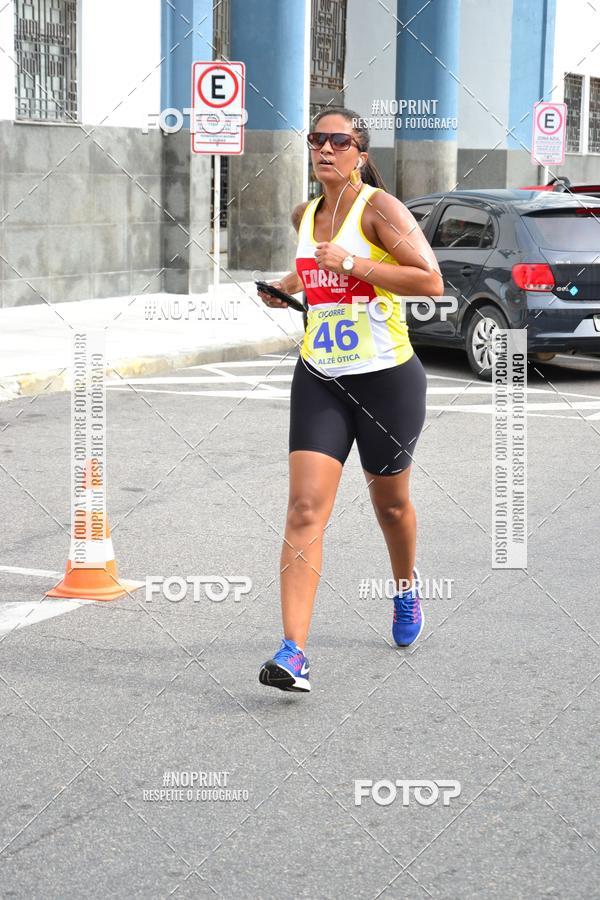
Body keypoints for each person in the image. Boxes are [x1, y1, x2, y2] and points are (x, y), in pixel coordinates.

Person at [256, 107, 443, 693]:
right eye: (317, 139)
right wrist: (285, 286)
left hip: (387, 378)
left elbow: (431, 281)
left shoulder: (381, 209)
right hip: (321, 375)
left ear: (360, 152)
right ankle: (294, 653)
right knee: (305, 508)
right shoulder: (305, 214)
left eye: (339, 140)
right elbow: (317, 270)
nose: (325, 148)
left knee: (390, 506)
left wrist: (356, 262)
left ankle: (406, 586)